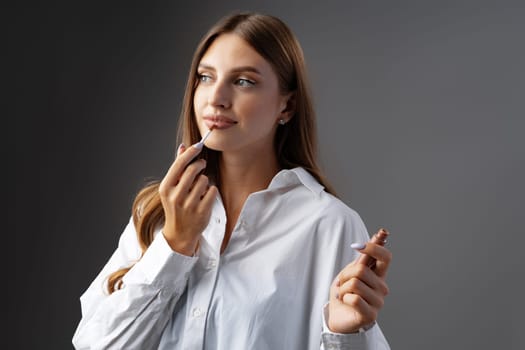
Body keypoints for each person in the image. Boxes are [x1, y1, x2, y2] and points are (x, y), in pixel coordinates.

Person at [72, 12, 392, 350]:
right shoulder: (157, 213)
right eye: (206, 77)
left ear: (287, 105)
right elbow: (96, 346)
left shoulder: (329, 225)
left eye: (243, 81)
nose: (216, 98)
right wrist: (174, 245)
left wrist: (344, 336)